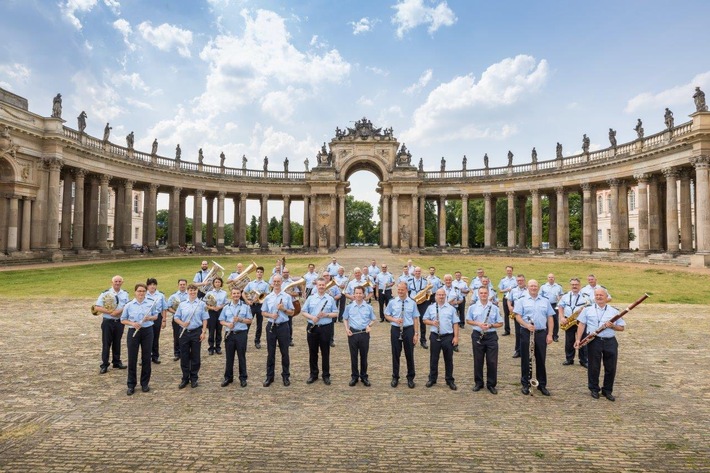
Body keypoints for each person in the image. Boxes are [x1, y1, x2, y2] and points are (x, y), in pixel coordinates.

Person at [575, 288, 625, 401]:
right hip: (594, 341)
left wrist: (612, 326)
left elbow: (621, 328)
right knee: (594, 366)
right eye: (596, 295)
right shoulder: (587, 310)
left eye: (601, 295)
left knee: (611, 367)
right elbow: (581, 325)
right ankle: (594, 389)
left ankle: (607, 391)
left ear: (606, 297)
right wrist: (578, 339)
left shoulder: (614, 311)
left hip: (610, 341)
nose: (598, 297)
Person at [514, 279, 555, 396]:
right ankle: (525, 384)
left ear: (538, 287)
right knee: (526, 359)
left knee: (541, 359)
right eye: (531, 286)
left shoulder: (545, 301)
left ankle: (542, 385)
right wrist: (526, 325)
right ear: (528, 287)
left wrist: (550, 334)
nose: (533, 288)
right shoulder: (522, 300)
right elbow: (518, 316)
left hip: (541, 333)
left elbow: (550, 318)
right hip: (526, 332)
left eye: (535, 286)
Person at [120, 283, 160, 395]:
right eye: (139, 291)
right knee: (132, 358)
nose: (141, 293)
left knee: (146, 357)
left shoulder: (151, 304)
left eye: (143, 291)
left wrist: (149, 318)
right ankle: (131, 384)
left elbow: (156, 316)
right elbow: (123, 320)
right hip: (133, 331)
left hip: (147, 331)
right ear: (135, 292)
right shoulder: (129, 305)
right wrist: (133, 323)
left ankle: (145, 383)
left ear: (146, 292)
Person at [466, 286, 503, 394]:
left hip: (491, 336)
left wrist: (490, 325)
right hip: (477, 335)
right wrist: (478, 324)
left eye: (485, 293)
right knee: (478, 360)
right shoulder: (473, 307)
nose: (483, 295)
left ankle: (491, 384)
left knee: (492, 361)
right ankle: (478, 383)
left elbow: (500, 323)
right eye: (481, 293)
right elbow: (468, 320)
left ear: (488, 294)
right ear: (478, 294)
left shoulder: (495, 308)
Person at [302, 277, 338, 385]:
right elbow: (303, 311)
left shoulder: (330, 299)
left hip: (325, 328)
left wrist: (326, 314)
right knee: (313, 352)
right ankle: (313, 374)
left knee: (325, 352)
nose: (321, 287)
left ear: (325, 285)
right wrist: (312, 317)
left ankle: (326, 375)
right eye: (319, 285)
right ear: (316, 286)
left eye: (323, 285)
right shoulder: (310, 298)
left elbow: (336, 313)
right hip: (312, 327)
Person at [173, 284, 209, 389]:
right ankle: (185, 378)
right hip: (184, 332)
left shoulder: (202, 304)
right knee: (184, 356)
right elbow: (176, 317)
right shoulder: (182, 304)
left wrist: (203, 332)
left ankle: (194, 378)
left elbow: (205, 319)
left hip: (196, 332)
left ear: (197, 291)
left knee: (195, 356)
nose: (192, 292)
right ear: (188, 291)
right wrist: (182, 323)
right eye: (190, 290)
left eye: (194, 290)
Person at [261, 274, 295, 387]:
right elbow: (263, 312)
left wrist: (283, 309)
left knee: (284, 352)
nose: (276, 283)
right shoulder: (268, 297)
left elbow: (292, 312)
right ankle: (269, 377)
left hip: (283, 326)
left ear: (281, 282)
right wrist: (271, 315)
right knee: (270, 353)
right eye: (274, 281)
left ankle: (286, 376)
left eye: (278, 281)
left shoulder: (286, 297)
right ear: (272, 283)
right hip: (271, 326)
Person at [423, 289, 459, 390]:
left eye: (443, 295)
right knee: (434, 358)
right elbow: (424, 320)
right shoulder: (430, 307)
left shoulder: (451, 309)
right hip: (435, 335)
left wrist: (456, 337)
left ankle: (449, 380)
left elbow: (455, 323)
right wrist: (432, 323)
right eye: (439, 295)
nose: (441, 297)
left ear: (445, 296)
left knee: (449, 359)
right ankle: (432, 378)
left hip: (447, 336)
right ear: (436, 296)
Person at [384, 282, 419, 388]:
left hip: (408, 330)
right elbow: (386, 315)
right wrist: (395, 319)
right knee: (395, 354)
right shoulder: (392, 302)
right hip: (395, 329)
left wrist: (416, 333)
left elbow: (415, 318)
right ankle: (395, 377)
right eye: (398, 289)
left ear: (406, 290)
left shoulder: (412, 303)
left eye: (402, 290)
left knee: (409, 354)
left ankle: (410, 377)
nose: (400, 292)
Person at [95, 276, 129, 374]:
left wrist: (119, 311)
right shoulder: (105, 293)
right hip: (108, 321)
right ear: (112, 282)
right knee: (106, 343)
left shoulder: (125, 294)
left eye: (119, 281)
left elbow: (127, 306)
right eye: (115, 281)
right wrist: (111, 312)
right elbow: (97, 307)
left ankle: (116, 361)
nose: (117, 283)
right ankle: (104, 364)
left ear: (122, 282)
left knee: (117, 342)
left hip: (119, 321)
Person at [343, 286, 376, 386]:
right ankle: (354, 377)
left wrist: (369, 326)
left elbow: (373, 319)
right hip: (352, 333)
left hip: (364, 334)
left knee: (364, 356)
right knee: (353, 356)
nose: (358, 295)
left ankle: (364, 376)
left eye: (360, 293)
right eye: (356, 293)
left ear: (363, 294)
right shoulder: (349, 306)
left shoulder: (368, 307)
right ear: (354, 294)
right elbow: (345, 318)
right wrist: (346, 328)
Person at [220, 287, 252, 388]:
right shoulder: (226, 307)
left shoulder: (245, 306)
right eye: (234, 294)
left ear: (240, 294)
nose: (236, 295)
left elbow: (250, 320)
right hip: (229, 334)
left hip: (241, 334)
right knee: (229, 357)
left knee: (241, 357)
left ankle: (243, 378)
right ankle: (228, 377)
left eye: (238, 293)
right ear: (231, 295)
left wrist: (240, 320)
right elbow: (221, 320)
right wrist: (228, 324)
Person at [558, 277, 590, 368]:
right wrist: (562, 317)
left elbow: (590, 308)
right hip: (569, 320)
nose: (574, 286)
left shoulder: (585, 297)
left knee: (583, 340)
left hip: (581, 321)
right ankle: (569, 359)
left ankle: (584, 360)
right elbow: (560, 306)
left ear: (580, 285)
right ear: (570, 285)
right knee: (569, 341)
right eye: (573, 284)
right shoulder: (566, 296)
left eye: (576, 284)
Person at [244, 266, 269, 349]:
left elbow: (267, 295)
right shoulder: (251, 283)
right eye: (258, 272)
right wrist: (247, 301)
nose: (259, 273)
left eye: (261, 272)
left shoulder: (265, 284)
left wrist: (259, 299)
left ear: (263, 273)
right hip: (251, 305)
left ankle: (257, 341)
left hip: (260, 306)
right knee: (247, 323)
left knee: (259, 324)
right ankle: (244, 342)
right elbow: (244, 293)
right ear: (256, 273)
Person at [146, 278, 168, 364]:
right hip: (147, 317)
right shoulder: (144, 294)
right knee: (146, 338)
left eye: (154, 284)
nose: (152, 286)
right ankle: (145, 357)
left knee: (155, 337)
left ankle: (155, 356)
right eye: (150, 284)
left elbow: (164, 308)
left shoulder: (160, 295)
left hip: (157, 317)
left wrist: (164, 320)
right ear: (147, 286)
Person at [408, 266, 430, 349]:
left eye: (419, 271)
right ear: (414, 272)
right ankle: (412, 339)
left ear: (421, 272)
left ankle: (423, 340)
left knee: (423, 321)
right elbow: (408, 292)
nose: (417, 273)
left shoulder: (425, 281)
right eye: (416, 271)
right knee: (412, 321)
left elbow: (428, 292)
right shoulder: (410, 281)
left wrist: (426, 300)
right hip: (413, 303)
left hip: (422, 303)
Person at [204, 277, 228, 355]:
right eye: (216, 282)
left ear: (221, 283)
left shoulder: (224, 293)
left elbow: (226, 303)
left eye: (219, 282)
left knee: (219, 330)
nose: (217, 283)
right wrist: (212, 307)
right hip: (211, 312)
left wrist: (220, 307)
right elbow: (204, 303)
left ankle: (218, 347)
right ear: (213, 284)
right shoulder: (209, 293)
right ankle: (211, 348)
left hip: (220, 312)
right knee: (211, 331)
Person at [167, 279, 189, 361]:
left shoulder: (190, 294)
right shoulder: (173, 296)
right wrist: (176, 312)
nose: (182, 286)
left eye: (184, 284)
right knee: (176, 336)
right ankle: (177, 353)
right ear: (178, 285)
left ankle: (185, 353)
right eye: (181, 284)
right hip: (176, 319)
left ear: (186, 285)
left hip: (187, 319)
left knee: (186, 336)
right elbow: (168, 307)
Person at [507, 274, 528, 358]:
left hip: (526, 314)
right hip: (517, 314)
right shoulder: (513, 290)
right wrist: (509, 306)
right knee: (518, 332)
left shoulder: (528, 290)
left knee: (527, 332)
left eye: (521, 280)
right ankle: (518, 350)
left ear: (524, 281)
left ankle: (527, 351)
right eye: (518, 280)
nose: (520, 282)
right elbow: (509, 299)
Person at [280, 267, 302, 347]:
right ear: (282, 273)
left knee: (289, 323)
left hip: (289, 305)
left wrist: (288, 294)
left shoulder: (292, 283)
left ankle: (289, 339)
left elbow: (297, 293)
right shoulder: (280, 282)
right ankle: (281, 340)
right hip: (281, 305)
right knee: (281, 323)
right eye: (284, 272)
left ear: (288, 273)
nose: (285, 273)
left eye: (287, 272)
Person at [441, 274, 463, 351]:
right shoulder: (441, 289)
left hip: (453, 309)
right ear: (444, 281)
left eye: (449, 280)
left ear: (452, 280)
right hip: (443, 310)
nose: (448, 281)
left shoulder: (456, 289)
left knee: (454, 325)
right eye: (446, 280)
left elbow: (461, 299)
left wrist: (456, 302)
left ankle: (455, 343)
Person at [540, 273, 564, 342]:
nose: (551, 278)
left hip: (554, 305)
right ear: (547, 278)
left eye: (552, 277)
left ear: (554, 278)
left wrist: (560, 298)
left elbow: (562, 295)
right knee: (546, 320)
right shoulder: (543, 286)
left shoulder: (558, 287)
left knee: (555, 320)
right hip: (545, 305)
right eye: (549, 277)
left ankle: (555, 336)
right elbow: (540, 295)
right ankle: (547, 334)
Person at [498, 266, 516, 336]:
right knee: (506, 314)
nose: (509, 272)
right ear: (506, 271)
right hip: (506, 298)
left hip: (514, 299)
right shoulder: (503, 280)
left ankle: (517, 329)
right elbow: (500, 290)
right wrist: (507, 290)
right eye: (508, 270)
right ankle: (507, 330)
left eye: (510, 270)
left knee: (515, 314)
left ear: (512, 271)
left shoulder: (515, 279)